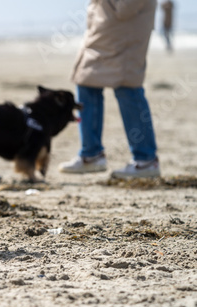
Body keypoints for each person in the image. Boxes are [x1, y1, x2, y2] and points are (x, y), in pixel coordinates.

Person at [59, 0, 161, 178]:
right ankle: (91, 154)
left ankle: (145, 160)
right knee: (88, 83)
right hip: (108, 30)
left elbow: (126, 9)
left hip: (122, 30)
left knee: (127, 87)